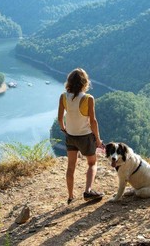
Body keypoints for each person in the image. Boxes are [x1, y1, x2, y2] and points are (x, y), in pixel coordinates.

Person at [57, 68, 104, 204]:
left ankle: (71, 196)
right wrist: (98, 139)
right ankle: (88, 191)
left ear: (69, 82)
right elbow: (93, 121)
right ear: (85, 82)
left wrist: (64, 130)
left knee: (71, 166)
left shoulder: (63, 97)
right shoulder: (88, 98)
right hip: (85, 136)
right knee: (92, 163)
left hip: (70, 136)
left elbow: (60, 118)